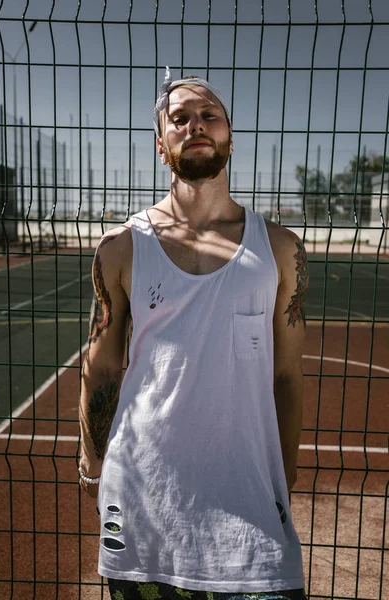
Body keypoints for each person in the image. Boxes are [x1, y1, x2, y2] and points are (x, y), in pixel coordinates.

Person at [78, 67, 309, 600]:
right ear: (162, 146)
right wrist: (93, 469)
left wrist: (284, 478)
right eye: (179, 119)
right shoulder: (121, 247)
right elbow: (102, 365)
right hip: (142, 515)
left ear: (230, 136)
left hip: (253, 518)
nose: (196, 125)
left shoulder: (279, 248)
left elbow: (286, 376)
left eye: (209, 115)